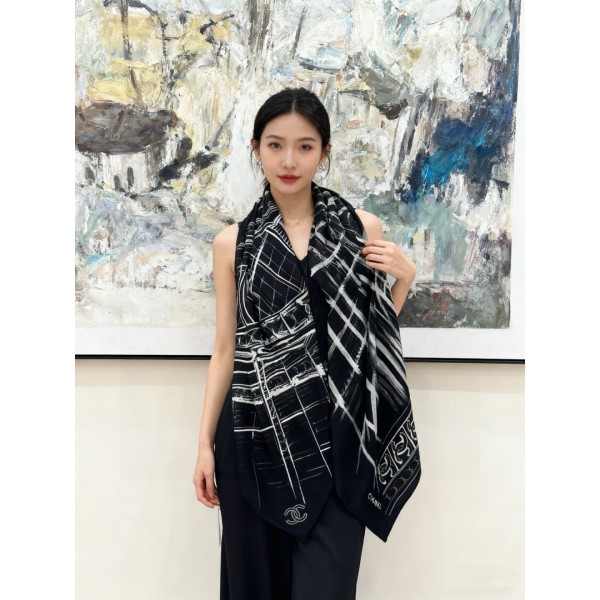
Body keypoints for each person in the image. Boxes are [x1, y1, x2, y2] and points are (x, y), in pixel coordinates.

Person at [193, 88, 421, 600]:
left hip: (339, 438)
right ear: (256, 148)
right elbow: (225, 348)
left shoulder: (361, 229)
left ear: (325, 151)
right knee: (255, 588)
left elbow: (368, 339)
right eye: (275, 145)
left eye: (304, 146)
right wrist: (204, 444)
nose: (289, 161)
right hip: (252, 438)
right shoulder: (232, 243)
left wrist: (403, 281)